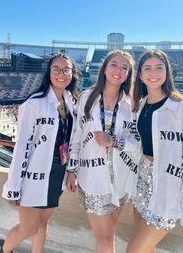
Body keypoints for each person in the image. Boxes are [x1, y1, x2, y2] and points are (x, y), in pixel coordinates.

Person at [0, 53, 79, 253]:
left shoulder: (72, 102)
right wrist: (14, 185)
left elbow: (72, 140)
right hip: (33, 174)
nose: (61, 74)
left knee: (42, 222)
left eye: (66, 69)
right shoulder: (33, 104)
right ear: (49, 73)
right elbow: (22, 147)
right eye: (56, 69)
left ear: (73, 73)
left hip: (57, 171)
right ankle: (4, 249)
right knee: (29, 226)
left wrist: (71, 171)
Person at [127, 49, 183, 253]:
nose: (154, 73)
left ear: (167, 72)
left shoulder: (181, 108)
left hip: (168, 191)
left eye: (159, 68)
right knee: (147, 249)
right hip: (141, 184)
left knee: (133, 250)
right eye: (148, 68)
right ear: (141, 75)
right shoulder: (140, 106)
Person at [66, 50, 141, 253]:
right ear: (105, 68)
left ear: (129, 74)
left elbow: (138, 145)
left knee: (106, 235)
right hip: (92, 178)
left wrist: (115, 141)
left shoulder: (132, 104)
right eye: (114, 65)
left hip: (121, 180)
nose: (118, 71)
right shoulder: (86, 97)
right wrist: (71, 170)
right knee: (106, 238)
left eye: (124, 67)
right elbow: (77, 135)